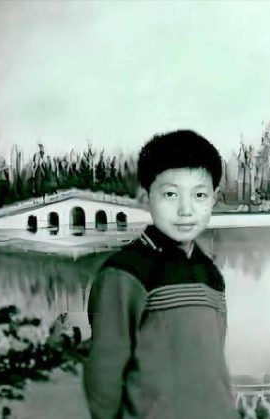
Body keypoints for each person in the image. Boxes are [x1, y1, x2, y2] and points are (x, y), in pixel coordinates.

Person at [83, 130, 239, 419]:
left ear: (214, 200)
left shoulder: (210, 274)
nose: (185, 210)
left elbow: (214, 366)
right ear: (145, 198)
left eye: (199, 195)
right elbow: (104, 373)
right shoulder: (125, 273)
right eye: (170, 194)